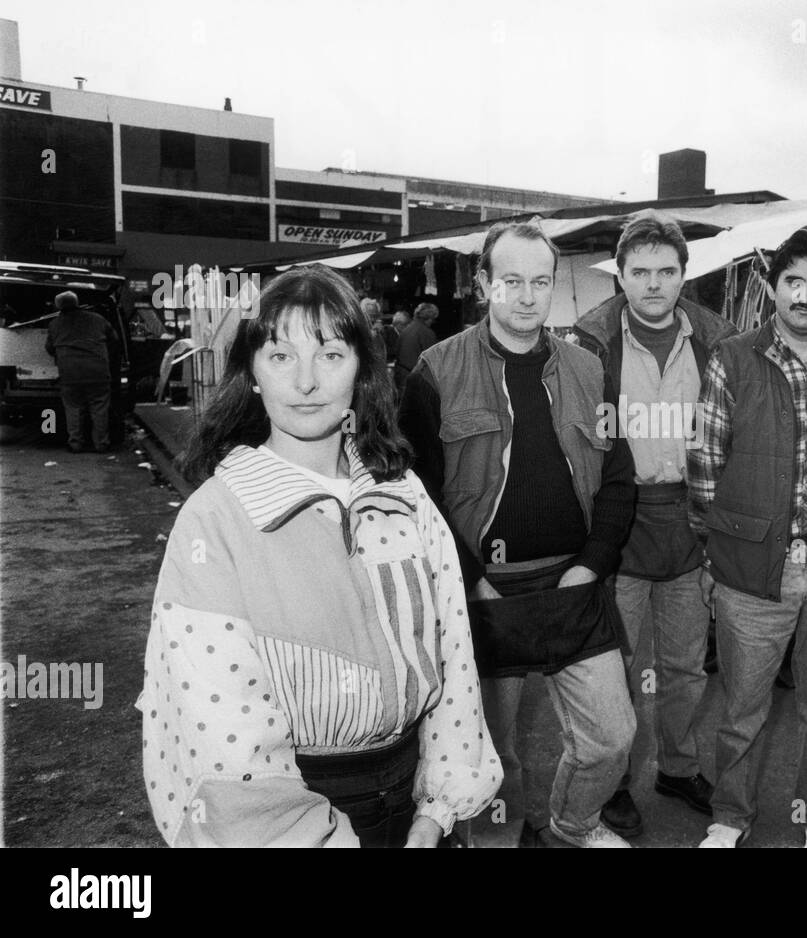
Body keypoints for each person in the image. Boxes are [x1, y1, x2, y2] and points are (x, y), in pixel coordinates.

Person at [138, 265, 499, 847]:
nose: (306, 381)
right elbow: (226, 731)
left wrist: (436, 810)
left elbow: (453, 650)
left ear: (361, 370)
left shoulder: (404, 498)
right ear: (251, 373)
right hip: (297, 808)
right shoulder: (216, 520)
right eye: (281, 356)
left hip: (415, 800)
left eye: (330, 354)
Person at [399, 220, 637, 848]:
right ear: (483, 284)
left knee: (612, 736)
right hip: (483, 593)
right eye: (512, 281)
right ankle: (505, 839)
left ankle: (571, 825)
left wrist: (591, 565)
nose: (528, 296)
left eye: (540, 281)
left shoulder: (590, 370)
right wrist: (472, 583)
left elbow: (618, 480)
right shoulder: (435, 371)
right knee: (489, 753)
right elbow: (415, 498)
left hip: (573, 586)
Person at [688, 226, 807, 848]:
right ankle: (730, 817)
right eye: (793, 282)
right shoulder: (733, 356)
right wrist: (720, 553)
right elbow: (705, 464)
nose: (804, 296)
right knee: (743, 712)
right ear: (773, 286)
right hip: (752, 571)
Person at [573, 210, 736, 837]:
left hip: (691, 521)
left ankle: (677, 764)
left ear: (683, 275)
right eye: (638, 271)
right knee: (611, 667)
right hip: (616, 523)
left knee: (687, 666)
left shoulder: (718, 340)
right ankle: (612, 782)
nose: (652, 284)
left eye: (665, 271)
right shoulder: (589, 342)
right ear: (619, 273)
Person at [45, 290, 119, 453]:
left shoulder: (55, 324)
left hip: (70, 373)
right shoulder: (98, 319)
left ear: (58, 306)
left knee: (73, 408)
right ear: (77, 303)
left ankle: (76, 444)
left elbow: (50, 348)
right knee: (99, 408)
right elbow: (114, 340)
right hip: (98, 371)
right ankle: (101, 444)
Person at [394, 302, 439, 395]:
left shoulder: (406, 329)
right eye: (433, 319)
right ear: (428, 319)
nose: (433, 322)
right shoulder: (427, 333)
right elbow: (432, 361)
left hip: (401, 376)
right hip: (415, 379)